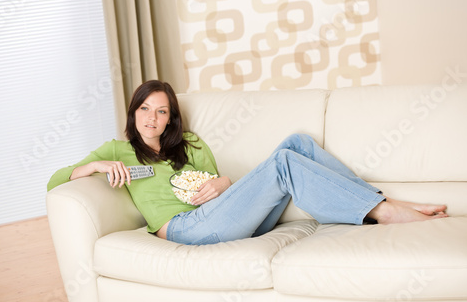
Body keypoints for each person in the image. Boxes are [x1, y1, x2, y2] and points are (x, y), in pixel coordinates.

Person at [47, 80, 448, 245]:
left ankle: (377, 201)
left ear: (172, 117)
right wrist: (92, 168)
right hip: (184, 228)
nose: (153, 119)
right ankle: (385, 212)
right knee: (284, 163)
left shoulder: (188, 143)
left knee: (298, 143)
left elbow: (218, 182)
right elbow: (54, 182)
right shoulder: (116, 151)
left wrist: (221, 184)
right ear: (133, 112)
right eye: (146, 109)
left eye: (163, 112)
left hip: (219, 212)